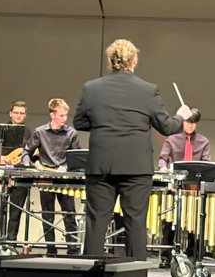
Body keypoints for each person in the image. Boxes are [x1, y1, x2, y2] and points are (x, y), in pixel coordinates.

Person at [74, 39, 191, 261]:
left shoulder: (91, 88)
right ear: (134, 61)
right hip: (136, 168)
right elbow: (166, 126)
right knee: (135, 223)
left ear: (110, 61)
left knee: (96, 223)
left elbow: (79, 122)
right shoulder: (148, 90)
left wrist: (104, 123)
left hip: (101, 166)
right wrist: (181, 116)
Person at [21, 98, 80, 255]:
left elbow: (77, 157)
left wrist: (66, 166)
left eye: (66, 115)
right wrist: (33, 164)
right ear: (52, 115)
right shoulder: (40, 132)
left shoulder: (71, 133)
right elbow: (26, 152)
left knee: (69, 215)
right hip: (46, 177)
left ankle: (73, 250)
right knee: (48, 216)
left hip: (64, 179)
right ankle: (51, 249)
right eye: (61, 115)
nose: (64, 118)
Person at [156, 108, 209, 267]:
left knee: (195, 222)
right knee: (169, 223)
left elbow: (207, 165)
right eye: (187, 122)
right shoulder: (171, 140)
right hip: (174, 187)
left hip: (194, 190)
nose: (190, 126)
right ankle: (165, 256)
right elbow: (163, 159)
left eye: (193, 123)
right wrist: (163, 168)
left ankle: (192, 254)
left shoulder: (203, 142)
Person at [0, 101, 33, 244]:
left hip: (20, 173)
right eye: (16, 112)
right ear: (10, 113)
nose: (19, 115)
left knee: (15, 211)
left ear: (25, 115)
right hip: (1, 172)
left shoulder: (29, 132)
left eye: (22, 113)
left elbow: (32, 151)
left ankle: (11, 242)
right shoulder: (2, 129)